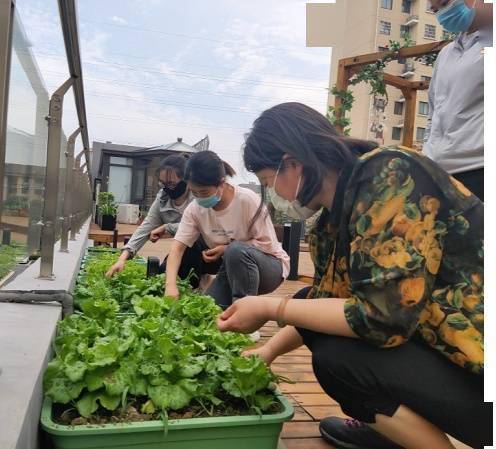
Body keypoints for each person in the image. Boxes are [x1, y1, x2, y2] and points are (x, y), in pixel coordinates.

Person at [217, 103, 490, 449]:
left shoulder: (390, 174)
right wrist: (267, 351)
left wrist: (272, 309)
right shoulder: (333, 219)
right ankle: (392, 434)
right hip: (455, 354)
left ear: (293, 163)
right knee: (317, 317)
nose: (274, 196)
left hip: (479, 362)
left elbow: (380, 317)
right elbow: (322, 302)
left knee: (340, 361)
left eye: (269, 182)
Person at [164, 150, 290, 312]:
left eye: (203, 192)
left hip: (270, 267)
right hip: (230, 268)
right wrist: (171, 285)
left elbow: (267, 245)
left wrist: (226, 248)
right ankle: (234, 310)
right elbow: (177, 248)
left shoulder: (247, 200)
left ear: (221, 184)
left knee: (235, 250)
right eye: (194, 192)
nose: (199, 197)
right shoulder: (194, 210)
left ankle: (246, 314)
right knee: (207, 311)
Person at [423, 0, 493, 201]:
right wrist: (428, 153)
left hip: (479, 169)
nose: (444, 14)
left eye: (445, 3)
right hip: (438, 173)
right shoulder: (446, 54)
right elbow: (433, 113)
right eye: (436, 10)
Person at [105, 154, 204, 287]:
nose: (167, 188)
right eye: (163, 183)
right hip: (180, 249)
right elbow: (146, 227)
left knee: (181, 276)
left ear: (186, 180)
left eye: (171, 184)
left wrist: (167, 227)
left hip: (203, 250)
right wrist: (123, 257)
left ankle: (200, 281)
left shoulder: (197, 196)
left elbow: (197, 227)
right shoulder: (163, 198)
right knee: (162, 277)